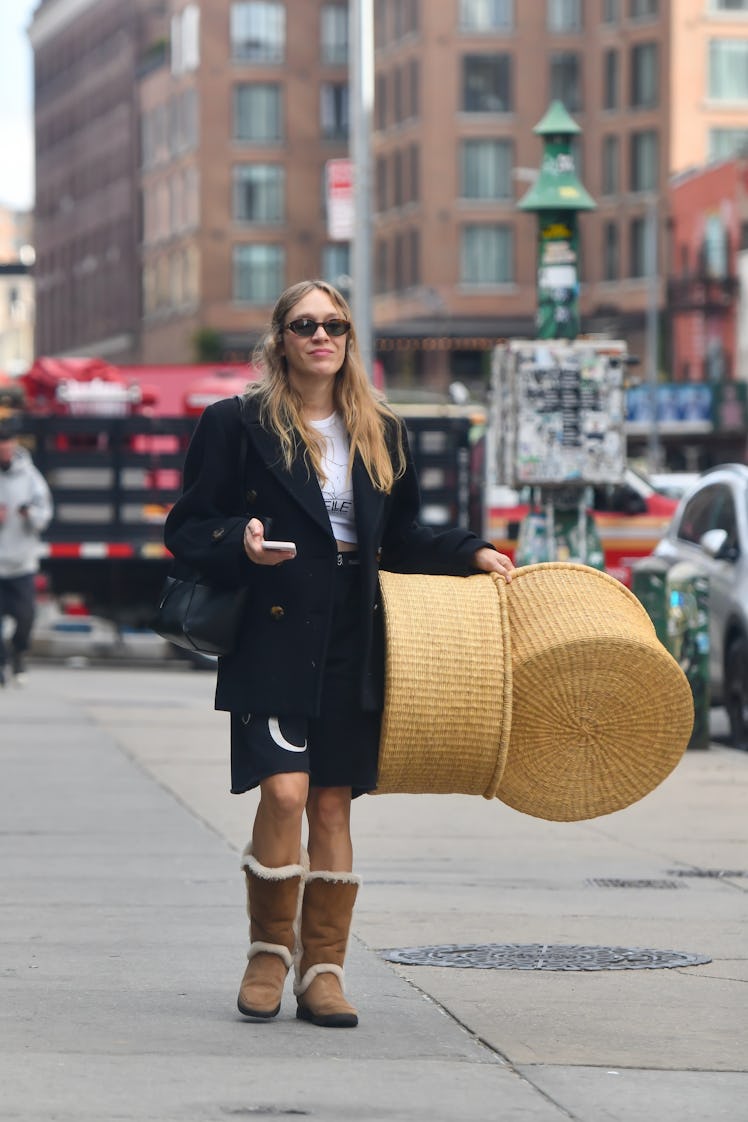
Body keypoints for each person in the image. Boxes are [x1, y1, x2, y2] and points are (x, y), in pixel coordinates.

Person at [164, 280, 514, 1029]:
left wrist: (474, 550)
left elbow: (407, 537)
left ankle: (323, 969)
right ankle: (267, 952)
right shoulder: (236, 423)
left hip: (355, 631)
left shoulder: (381, 429)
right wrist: (241, 540)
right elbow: (188, 527)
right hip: (273, 627)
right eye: (304, 324)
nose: (321, 336)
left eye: (335, 324)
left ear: (350, 337)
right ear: (280, 339)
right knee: (284, 792)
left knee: (330, 800)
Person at [0, 424, 53, 687]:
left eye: (7, 444)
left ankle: (19, 654)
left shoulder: (30, 477)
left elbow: (44, 515)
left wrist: (27, 514)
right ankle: (2, 665)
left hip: (21, 562)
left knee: (25, 617)